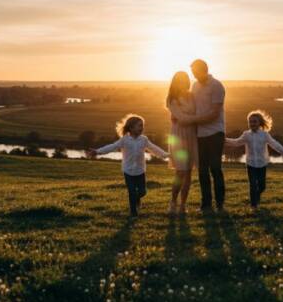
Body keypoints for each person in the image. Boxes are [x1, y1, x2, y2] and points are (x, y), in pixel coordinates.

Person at [90, 114, 169, 217]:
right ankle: (133, 212)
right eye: (139, 126)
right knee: (131, 191)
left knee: (142, 192)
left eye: (142, 126)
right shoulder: (124, 140)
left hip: (140, 171)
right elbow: (112, 147)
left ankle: (136, 200)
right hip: (128, 171)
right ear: (131, 128)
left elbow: (153, 148)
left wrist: (165, 155)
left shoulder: (144, 139)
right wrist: (97, 151)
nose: (142, 128)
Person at [174, 59, 226, 212]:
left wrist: (190, 120)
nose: (194, 76)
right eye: (193, 73)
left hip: (215, 132)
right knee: (202, 171)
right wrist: (176, 115)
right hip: (200, 134)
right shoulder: (195, 86)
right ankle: (206, 205)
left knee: (215, 168)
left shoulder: (217, 86)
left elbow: (215, 113)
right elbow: (190, 106)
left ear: (205, 69)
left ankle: (220, 204)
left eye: (196, 72)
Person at [224, 110, 283, 210]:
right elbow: (236, 142)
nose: (252, 124)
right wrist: (225, 140)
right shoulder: (246, 134)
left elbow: (274, 143)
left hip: (262, 163)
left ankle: (257, 196)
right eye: (250, 122)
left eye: (254, 121)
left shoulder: (264, 134)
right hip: (250, 164)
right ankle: (253, 205)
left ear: (259, 123)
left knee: (262, 186)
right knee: (253, 184)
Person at [165, 71, 199, 215]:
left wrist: (190, 118)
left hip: (192, 135)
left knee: (189, 172)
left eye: (185, 80)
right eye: (179, 80)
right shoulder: (172, 99)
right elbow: (180, 118)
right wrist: (196, 118)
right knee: (181, 171)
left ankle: (183, 205)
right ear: (175, 82)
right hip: (179, 136)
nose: (182, 83)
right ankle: (173, 202)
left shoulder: (192, 96)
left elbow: (190, 115)